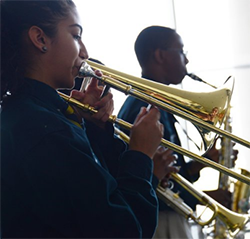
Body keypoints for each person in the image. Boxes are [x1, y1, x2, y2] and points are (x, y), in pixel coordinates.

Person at [0, 3, 178, 239]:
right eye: (75, 35)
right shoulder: (45, 130)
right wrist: (141, 154)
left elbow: (103, 197)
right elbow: (125, 230)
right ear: (40, 38)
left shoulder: (30, 116)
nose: (84, 52)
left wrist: (95, 129)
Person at [118, 26, 238, 239]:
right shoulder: (144, 108)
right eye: (182, 52)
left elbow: (168, 174)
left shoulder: (156, 104)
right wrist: (207, 198)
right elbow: (149, 183)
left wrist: (201, 163)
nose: (187, 61)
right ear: (160, 55)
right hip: (162, 225)